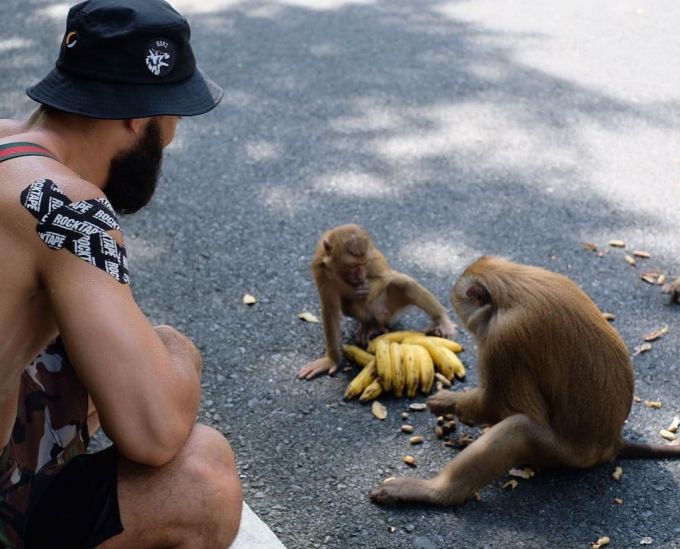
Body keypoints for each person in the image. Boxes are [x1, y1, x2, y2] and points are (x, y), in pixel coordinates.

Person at [0, 0, 242, 547]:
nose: (172, 135)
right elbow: (153, 435)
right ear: (138, 116)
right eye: (173, 116)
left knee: (89, 365)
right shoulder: (68, 207)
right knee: (205, 475)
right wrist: (179, 352)